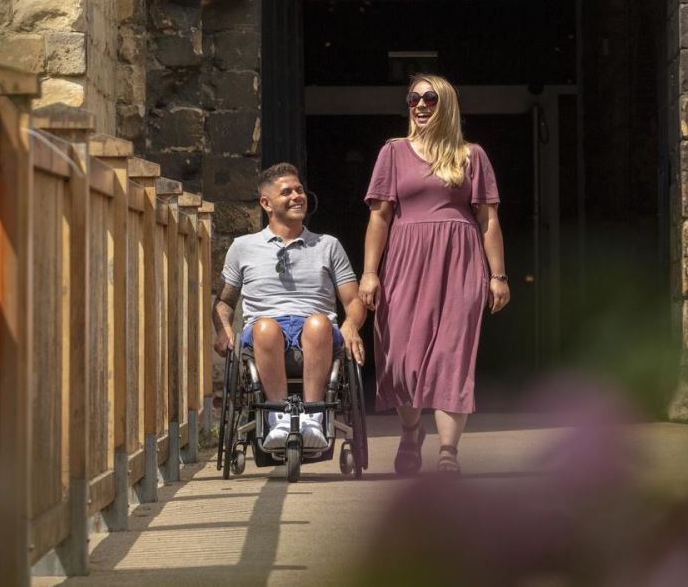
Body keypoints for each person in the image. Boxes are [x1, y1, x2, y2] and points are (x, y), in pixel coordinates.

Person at [361, 74, 508, 476]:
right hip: (405, 263)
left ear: (447, 105)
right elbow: (379, 217)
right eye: (413, 98)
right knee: (402, 358)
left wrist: (499, 276)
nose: (420, 105)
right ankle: (411, 432)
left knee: (451, 356)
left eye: (430, 98)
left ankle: (448, 452)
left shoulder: (471, 155)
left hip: (459, 263)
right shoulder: (392, 152)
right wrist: (369, 273)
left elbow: (488, 219)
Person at [213, 163, 366, 452]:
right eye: (287, 192)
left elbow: (353, 301)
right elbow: (224, 301)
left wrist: (351, 325)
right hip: (263, 332)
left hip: (317, 331)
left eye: (299, 189)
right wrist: (222, 331)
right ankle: (278, 417)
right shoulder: (242, 247)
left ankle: (312, 417)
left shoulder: (328, 245)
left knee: (319, 323)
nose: (297, 196)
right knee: (266, 327)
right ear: (266, 203)